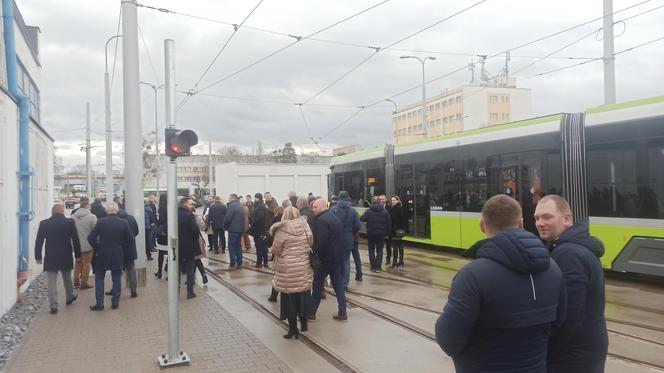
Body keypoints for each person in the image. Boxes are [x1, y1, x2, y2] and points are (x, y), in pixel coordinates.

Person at [435, 195, 566, 373]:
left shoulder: (471, 276)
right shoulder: (553, 269)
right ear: (521, 223)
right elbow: (558, 324)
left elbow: (449, 340)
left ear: (482, 225)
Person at [534, 195, 608, 373]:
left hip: (573, 354)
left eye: (547, 217)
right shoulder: (571, 248)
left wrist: (547, 349)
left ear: (566, 219)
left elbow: (569, 316)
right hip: (584, 347)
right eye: (537, 218)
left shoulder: (569, 254)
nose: (540, 223)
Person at [270, 207, 314, 339]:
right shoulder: (306, 226)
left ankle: (292, 329)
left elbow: (275, 250)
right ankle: (304, 323)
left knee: (289, 300)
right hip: (303, 266)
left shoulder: (281, 229)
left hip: (287, 269)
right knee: (302, 295)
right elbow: (310, 242)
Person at [34, 204, 82, 314]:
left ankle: (53, 305)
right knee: (67, 277)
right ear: (63, 212)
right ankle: (70, 297)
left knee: (51, 281)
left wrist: (38, 256)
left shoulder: (44, 223)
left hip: (51, 256)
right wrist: (78, 255)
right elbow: (76, 240)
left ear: (52, 212)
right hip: (65, 255)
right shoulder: (69, 223)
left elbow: (39, 241)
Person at [87, 202, 134, 310]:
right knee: (116, 278)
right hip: (117, 252)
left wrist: (97, 247)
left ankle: (100, 303)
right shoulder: (124, 223)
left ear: (106, 211)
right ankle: (115, 302)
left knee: (99, 277)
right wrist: (122, 246)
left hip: (102, 252)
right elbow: (130, 239)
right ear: (117, 210)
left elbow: (90, 237)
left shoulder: (100, 222)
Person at [310, 199, 348, 321]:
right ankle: (342, 311)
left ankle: (311, 312)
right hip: (337, 258)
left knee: (317, 285)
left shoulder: (321, 221)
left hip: (326, 259)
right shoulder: (334, 217)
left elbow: (322, 242)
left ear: (322, 206)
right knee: (338, 285)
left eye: (315, 207)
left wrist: (316, 254)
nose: (313, 209)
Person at [330, 191, 360, 291]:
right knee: (346, 262)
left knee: (336, 262)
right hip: (348, 239)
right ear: (348, 199)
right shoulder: (353, 211)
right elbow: (357, 226)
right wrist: (350, 233)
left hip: (336, 239)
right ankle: (345, 284)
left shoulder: (333, 210)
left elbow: (329, 223)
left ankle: (337, 283)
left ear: (339, 198)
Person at [178, 197, 201, 298]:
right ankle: (190, 292)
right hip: (189, 245)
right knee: (190, 268)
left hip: (177, 245)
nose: (193, 206)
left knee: (176, 268)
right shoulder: (189, 215)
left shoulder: (174, 214)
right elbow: (194, 230)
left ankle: (176, 289)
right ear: (185, 204)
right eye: (191, 204)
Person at [71, 199, 97, 290]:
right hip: (88, 245)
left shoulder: (72, 217)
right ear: (87, 207)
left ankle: (76, 282)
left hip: (76, 245)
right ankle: (84, 283)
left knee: (77, 263)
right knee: (86, 264)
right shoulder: (92, 217)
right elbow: (95, 231)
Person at [361, 196, 391, 273]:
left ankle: (373, 267)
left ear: (372, 202)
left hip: (371, 233)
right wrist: (387, 234)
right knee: (379, 250)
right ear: (379, 201)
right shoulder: (384, 211)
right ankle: (378, 267)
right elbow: (388, 224)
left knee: (371, 250)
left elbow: (362, 219)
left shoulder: (369, 211)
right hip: (381, 234)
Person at [117, 208, 139, 298]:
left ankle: (116, 290)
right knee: (131, 268)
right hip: (130, 247)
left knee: (117, 270)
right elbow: (137, 231)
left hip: (119, 248)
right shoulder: (131, 218)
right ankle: (133, 288)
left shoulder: (116, 220)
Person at [224, 194, 245, 269]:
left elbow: (228, 218)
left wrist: (225, 226)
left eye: (229, 197)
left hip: (233, 229)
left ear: (233, 198)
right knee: (238, 247)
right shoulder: (240, 205)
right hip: (239, 229)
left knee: (232, 247)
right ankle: (239, 263)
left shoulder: (232, 206)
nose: (229, 199)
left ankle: (232, 262)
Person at [250, 193, 270, 269]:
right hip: (262, 229)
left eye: (255, 198)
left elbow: (259, 217)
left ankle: (259, 263)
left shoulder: (260, 206)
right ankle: (265, 262)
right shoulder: (261, 205)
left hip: (259, 230)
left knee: (259, 247)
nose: (254, 199)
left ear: (258, 198)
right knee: (263, 247)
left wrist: (253, 222)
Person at [191, 203, 208, 285]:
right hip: (198, 238)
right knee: (197, 259)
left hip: (192, 240)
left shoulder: (192, 217)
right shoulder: (196, 217)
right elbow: (202, 226)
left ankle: (192, 278)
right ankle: (203, 275)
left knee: (193, 259)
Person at [388, 196, 406, 268]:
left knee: (395, 247)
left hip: (395, 230)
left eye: (394, 200)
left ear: (398, 200)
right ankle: (401, 261)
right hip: (401, 230)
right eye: (391, 200)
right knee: (400, 245)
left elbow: (392, 220)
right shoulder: (401, 208)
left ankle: (394, 263)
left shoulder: (394, 209)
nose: (392, 201)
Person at [155, 194, 169, 279]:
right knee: (170, 252)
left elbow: (160, 221)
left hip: (162, 234)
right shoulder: (170, 208)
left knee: (161, 253)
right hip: (169, 232)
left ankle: (159, 271)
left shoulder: (161, 209)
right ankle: (169, 270)